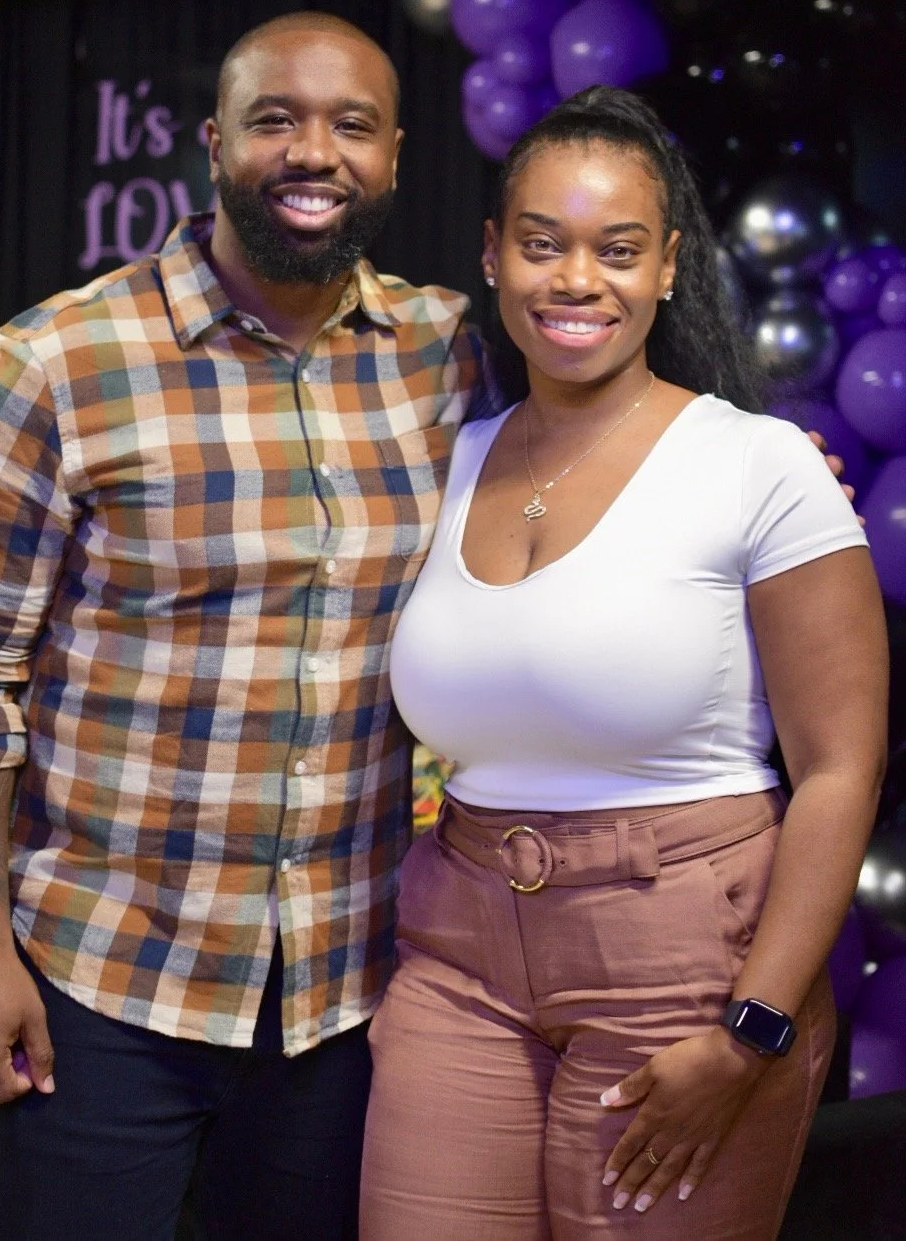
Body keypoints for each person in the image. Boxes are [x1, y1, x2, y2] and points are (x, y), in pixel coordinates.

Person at [0, 11, 499, 1241]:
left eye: (351, 125)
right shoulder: (56, 361)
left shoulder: (448, 356)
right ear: (215, 143)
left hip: (340, 997)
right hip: (100, 987)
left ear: (394, 155)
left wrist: (755, 460)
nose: (313, 151)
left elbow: (596, 455)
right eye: (276, 119)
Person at [360, 85, 887, 1241]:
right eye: (542, 244)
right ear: (493, 255)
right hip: (459, 951)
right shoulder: (450, 460)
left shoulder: (759, 465)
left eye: (617, 249)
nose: (576, 280)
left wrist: (754, 1028)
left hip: (686, 962)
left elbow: (842, 771)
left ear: (668, 267)